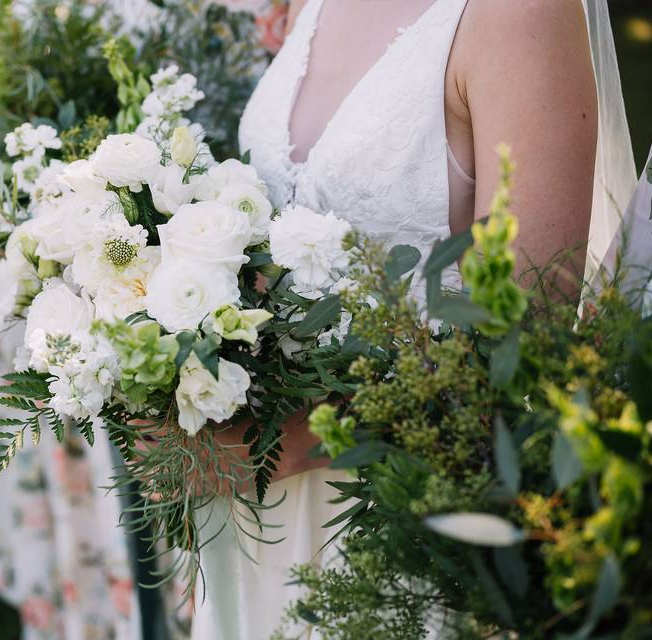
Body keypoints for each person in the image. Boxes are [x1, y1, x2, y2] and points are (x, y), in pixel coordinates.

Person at [191, 0, 637, 637]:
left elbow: (522, 347)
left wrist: (288, 442)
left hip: (398, 522)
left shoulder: (519, 16)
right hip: (256, 509)